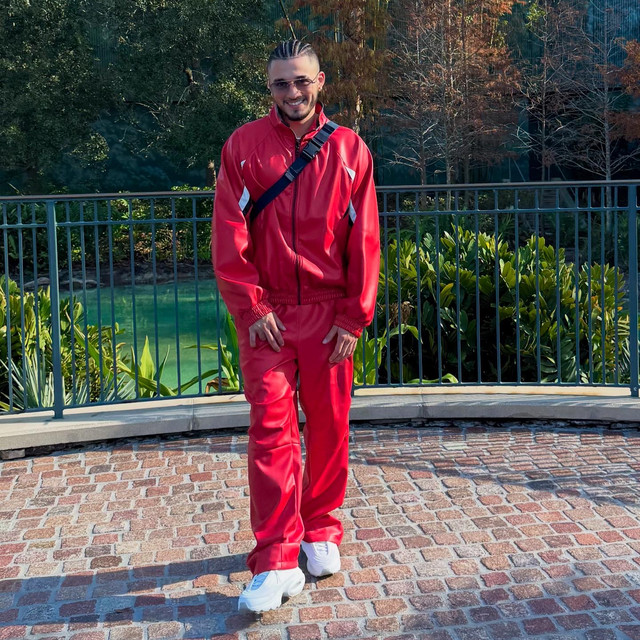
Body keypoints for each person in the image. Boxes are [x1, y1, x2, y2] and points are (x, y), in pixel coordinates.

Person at [212, 39, 380, 613]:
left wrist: (355, 316)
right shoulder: (243, 147)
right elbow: (229, 232)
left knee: (330, 427)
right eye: (281, 83)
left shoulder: (350, 150)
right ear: (269, 87)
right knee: (270, 431)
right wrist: (251, 308)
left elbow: (365, 241)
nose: (292, 92)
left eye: (301, 80)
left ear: (320, 81)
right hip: (269, 317)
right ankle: (276, 559)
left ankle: (321, 528)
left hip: (330, 315)